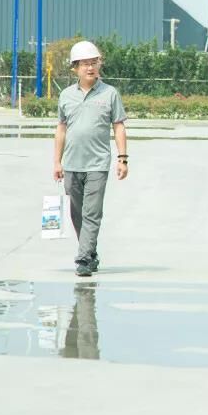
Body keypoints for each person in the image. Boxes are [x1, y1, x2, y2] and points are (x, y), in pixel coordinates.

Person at [53, 40, 128, 277]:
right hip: (71, 164)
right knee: (77, 214)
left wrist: (122, 158)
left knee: (92, 213)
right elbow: (61, 129)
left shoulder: (109, 93)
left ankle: (83, 258)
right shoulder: (66, 96)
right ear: (75, 67)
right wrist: (57, 161)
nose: (90, 67)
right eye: (85, 63)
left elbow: (119, 126)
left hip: (98, 164)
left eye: (94, 62)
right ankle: (91, 253)